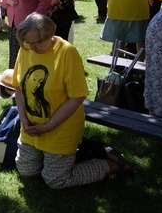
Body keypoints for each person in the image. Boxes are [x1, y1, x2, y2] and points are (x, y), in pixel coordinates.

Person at [11, 13, 131, 188]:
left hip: (60, 128)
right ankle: (80, 153)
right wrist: (23, 119)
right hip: (31, 127)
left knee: (55, 180)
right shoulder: (26, 49)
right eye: (28, 42)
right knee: (27, 172)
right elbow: (18, 86)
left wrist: (50, 126)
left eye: (36, 42)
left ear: (50, 35)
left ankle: (111, 162)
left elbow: (77, 97)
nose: (32, 47)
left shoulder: (66, 52)